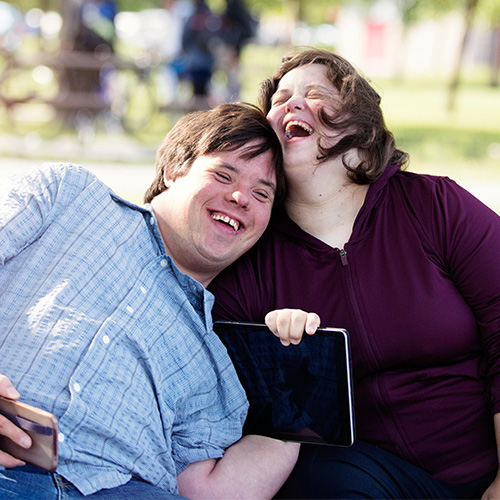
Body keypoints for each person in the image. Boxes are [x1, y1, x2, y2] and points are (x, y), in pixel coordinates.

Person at [209, 48, 500, 499]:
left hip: (484, 469)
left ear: (362, 132)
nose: (291, 104)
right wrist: (280, 360)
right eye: (280, 98)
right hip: (364, 478)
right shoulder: (253, 257)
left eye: (316, 94)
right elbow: (228, 397)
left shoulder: (433, 206)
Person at [0, 102, 299, 499]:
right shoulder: (69, 196)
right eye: (223, 174)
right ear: (174, 171)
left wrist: (301, 408)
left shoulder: (213, 364)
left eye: (262, 194)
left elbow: (208, 492)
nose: (241, 196)